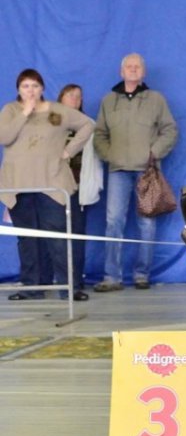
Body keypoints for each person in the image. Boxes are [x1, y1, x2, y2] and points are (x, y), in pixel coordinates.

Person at [0, 69, 94, 301]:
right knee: (28, 239)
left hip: (51, 183)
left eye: (34, 86)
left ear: (42, 88)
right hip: (19, 184)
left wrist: (69, 151)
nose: (30, 91)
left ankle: (67, 288)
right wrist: (25, 113)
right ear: (18, 90)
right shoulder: (11, 110)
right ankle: (32, 287)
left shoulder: (58, 110)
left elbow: (88, 125)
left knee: (59, 237)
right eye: (25, 86)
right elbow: (4, 138)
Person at [93, 54, 178, 291]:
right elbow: (99, 134)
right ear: (121, 72)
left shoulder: (156, 99)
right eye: (128, 67)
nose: (132, 69)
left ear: (143, 72)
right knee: (113, 222)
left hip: (147, 172)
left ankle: (142, 275)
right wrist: (110, 155)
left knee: (147, 224)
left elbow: (170, 130)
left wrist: (154, 152)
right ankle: (112, 277)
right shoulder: (109, 101)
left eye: (137, 66)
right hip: (118, 170)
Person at [57, 84, 91, 297]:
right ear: (61, 99)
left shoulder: (87, 125)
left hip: (77, 189)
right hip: (53, 188)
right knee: (55, 238)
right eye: (71, 96)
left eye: (79, 97)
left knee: (76, 237)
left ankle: (75, 284)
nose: (75, 100)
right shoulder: (50, 123)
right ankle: (58, 283)